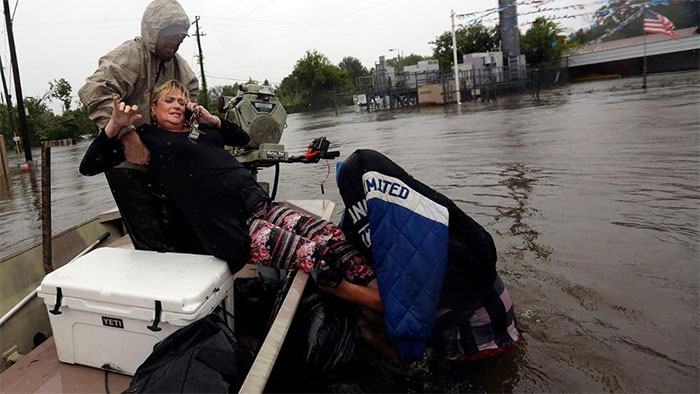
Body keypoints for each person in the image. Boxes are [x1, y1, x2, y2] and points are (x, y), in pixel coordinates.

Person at [79, 80, 382, 310]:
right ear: (154, 109)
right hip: (233, 228)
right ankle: (381, 310)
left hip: (260, 206)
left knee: (331, 235)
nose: (177, 105)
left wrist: (214, 121)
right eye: (168, 100)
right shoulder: (148, 139)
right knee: (317, 257)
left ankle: (382, 293)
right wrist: (114, 126)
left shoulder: (204, 131)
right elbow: (88, 166)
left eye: (182, 101)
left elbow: (244, 139)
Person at [336, 149, 522, 361]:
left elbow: (401, 303)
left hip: (476, 329)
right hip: (494, 305)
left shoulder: (413, 241)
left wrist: (343, 290)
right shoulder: (424, 209)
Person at [78, 0, 201, 252]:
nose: (175, 41)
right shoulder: (132, 54)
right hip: (125, 161)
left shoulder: (181, 67)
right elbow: (94, 91)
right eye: (169, 34)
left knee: (183, 226)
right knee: (153, 238)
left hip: (162, 159)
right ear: (153, 31)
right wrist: (127, 137)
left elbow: (191, 102)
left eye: (180, 36)